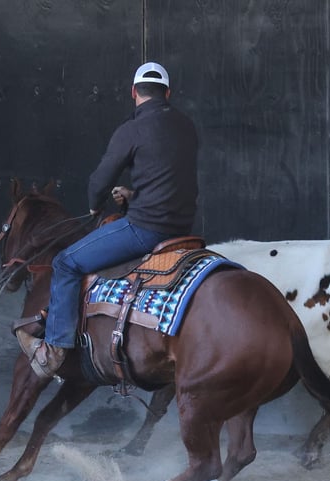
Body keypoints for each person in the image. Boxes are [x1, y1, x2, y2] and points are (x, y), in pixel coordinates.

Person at [15, 61, 200, 380]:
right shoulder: (186, 126)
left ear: (133, 93)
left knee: (65, 263)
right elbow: (170, 178)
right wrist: (132, 195)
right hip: (183, 231)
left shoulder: (132, 129)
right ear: (168, 93)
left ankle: (54, 349)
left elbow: (100, 180)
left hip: (145, 230)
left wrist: (93, 206)